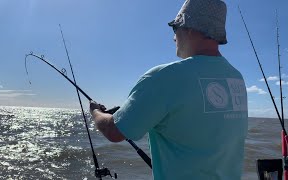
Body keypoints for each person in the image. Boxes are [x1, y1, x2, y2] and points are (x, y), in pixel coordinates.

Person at [90, 0, 248, 179]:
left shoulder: (164, 76)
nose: (174, 37)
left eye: (175, 29)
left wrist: (95, 112)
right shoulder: (236, 78)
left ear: (189, 28)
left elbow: (114, 131)